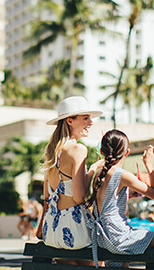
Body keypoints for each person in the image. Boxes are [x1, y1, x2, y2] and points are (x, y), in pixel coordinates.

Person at [85, 129, 154, 268]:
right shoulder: (122, 174)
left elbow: (106, 202)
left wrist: (127, 195)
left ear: (102, 152)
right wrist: (149, 165)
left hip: (103, 237)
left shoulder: (99, 174)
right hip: (118, 236)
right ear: (127, 152)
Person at [40, 96, 102, 265]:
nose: (91, 122)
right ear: (69, 121)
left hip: (52, 231)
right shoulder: (78, 149)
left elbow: (47, 195)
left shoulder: (51, 151)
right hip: (76, 229)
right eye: (85, 118)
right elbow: (79, 197)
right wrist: (92, 170)